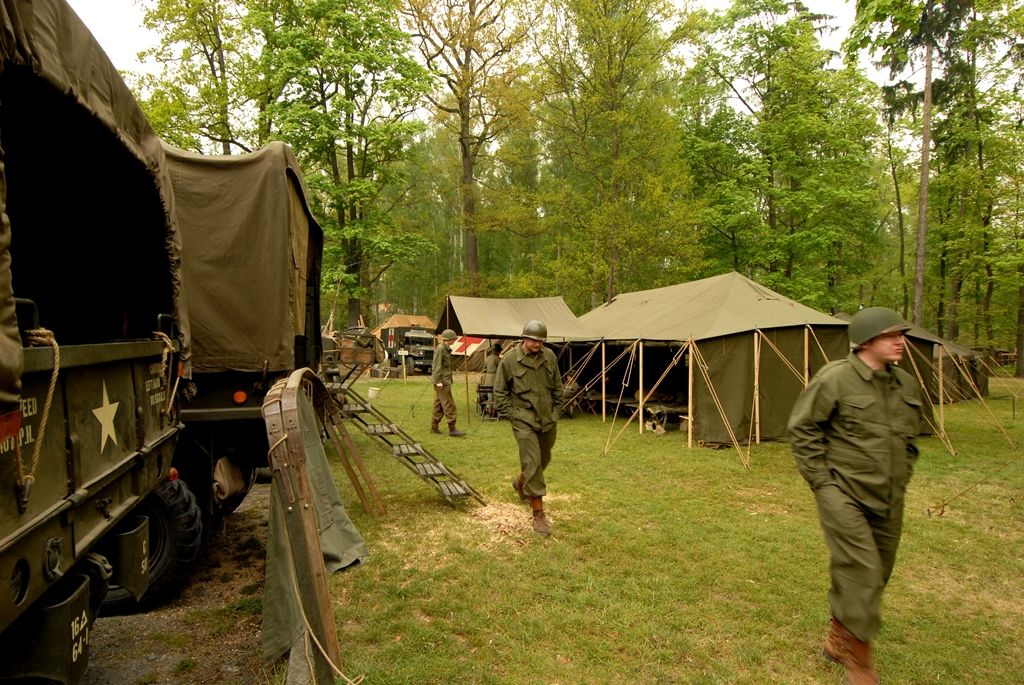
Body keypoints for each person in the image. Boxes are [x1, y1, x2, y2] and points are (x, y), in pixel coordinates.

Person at [787, 307, 926, 685]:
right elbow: (803, 431)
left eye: (901, 334)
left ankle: (837, 639)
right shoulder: (835, 379)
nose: (900, 341)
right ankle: (860, 664)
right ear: (867, 340)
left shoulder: (907, 385)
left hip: (890, 497)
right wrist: (823, 485)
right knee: (862, 572)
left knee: (876, 573)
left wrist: (904, 472)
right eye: (890, 335)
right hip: (843, 493)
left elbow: (910, 439)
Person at [493, 320, 564, 536]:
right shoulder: (509, 360)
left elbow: (557, 386)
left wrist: (556, 411)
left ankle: (520, 482)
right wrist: (516, 416)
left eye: (541, 341)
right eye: (534, 340)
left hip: (547, 419)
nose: (537, 345)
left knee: (543, 460)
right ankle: (538, 514)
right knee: (532, 461)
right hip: (523, 421)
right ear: (524, 338)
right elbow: (500, 394)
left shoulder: (549, 357)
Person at [430, 329, 465, 437]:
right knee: (449, 405)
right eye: (454, 338)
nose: (455, 340)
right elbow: (436, 366)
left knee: (439, 405)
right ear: (449, 339)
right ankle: (452, 429)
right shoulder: (441, 349)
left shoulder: (445, 349)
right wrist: (438, 381)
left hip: (444, 381)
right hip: (442, 382)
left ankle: (434, 427)